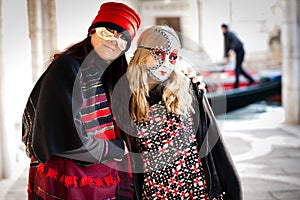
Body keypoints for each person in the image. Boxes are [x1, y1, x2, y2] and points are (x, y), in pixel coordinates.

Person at [22, 2, 141, 199]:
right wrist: (117, 148)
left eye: (123, 40)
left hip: (105, 179)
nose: (114, 41)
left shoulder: (113, 75)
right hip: (70, 180)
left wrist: (185, 85)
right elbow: (66, 139)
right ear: (92, 31)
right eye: (108, 31)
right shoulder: (67, 69)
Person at [125, 25, 242, 199]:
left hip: (197, 192)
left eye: (173, 57)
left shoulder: (189, 89)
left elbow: (216, 145)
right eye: (159, 53)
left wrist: (234, 190)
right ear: (142, 53)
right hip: (155, 194)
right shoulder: (126, 95)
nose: (166, 63)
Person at [221, 23, 255, 88]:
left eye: (223, 29)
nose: (222, 30)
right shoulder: (225, 36)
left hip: (241, 51)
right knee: (239, 69)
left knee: (237, 69)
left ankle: (236, 86)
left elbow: (235, 42)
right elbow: (226, 47)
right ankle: (251, 80)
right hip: (237, 52)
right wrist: (226, 57)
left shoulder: (230, 34)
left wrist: (232, 49)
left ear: (225, 29)